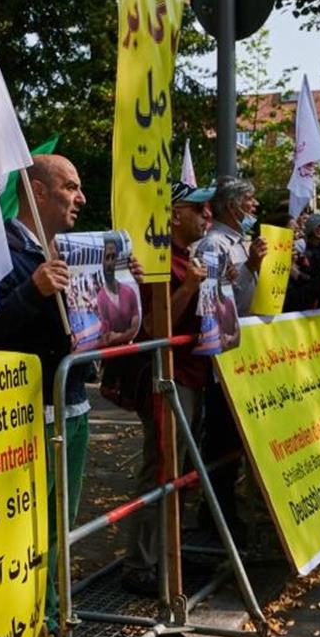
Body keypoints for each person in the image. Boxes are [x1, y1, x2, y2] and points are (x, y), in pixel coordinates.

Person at [0, 154, 89, 635]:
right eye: (70, 187)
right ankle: (28, 622)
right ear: (38, 191)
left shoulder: (74, 251)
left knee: (62, 524)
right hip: (27, 418)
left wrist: (121, 289)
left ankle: (54, 615)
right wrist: (33, 291)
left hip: (73, 406)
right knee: (29, 529)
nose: (80, 197)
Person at [121, 181, 214, 596]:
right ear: (175, 214)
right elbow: (155, 328)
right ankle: (141, 563)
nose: (207, 216)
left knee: (178, 471)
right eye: (199, 209)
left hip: (192, 376)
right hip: (169, 380)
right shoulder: (157, 261)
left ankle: (170, 552)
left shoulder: (189, 258)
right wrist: (190, 287)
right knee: (160, 467)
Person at [189, 176, 267, 544]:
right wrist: (246, 268)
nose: (254, 207)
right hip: (222, 361)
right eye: (249, 200)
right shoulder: (214, 243)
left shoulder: (244, 243)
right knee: (221, 440)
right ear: (231, 205)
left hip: (245, 355)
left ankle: (224, 507)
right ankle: (215, 514)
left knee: (235, 442)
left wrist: (253, 264)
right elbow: (217, 303)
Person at [96, 234, 140, 347]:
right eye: (107, 257)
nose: (110, 262)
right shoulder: (99, 296)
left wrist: (120, 337)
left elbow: (135, 326)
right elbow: (104, 337)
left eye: (113, 257)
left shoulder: (128, 291)